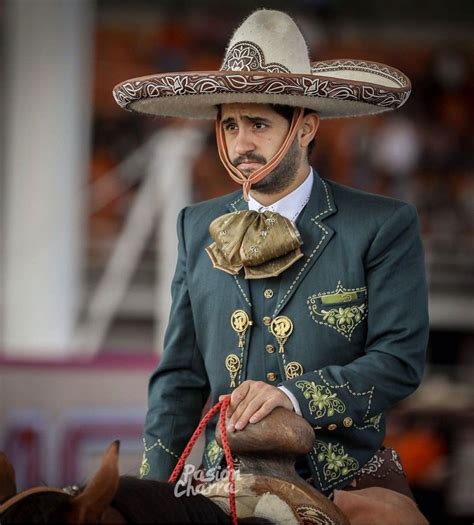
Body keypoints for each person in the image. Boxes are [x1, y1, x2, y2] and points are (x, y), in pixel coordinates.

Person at [113, 8, 429, 516]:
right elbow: (179, 378)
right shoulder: (196, 225)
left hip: (345, 480)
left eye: (258, 124)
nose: (241, 145)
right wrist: (152, 495)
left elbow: (399, 363)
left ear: (305, 127)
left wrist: (292, 396)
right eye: (231, 124)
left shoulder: (383, 224)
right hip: (220, 483)